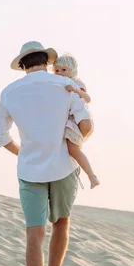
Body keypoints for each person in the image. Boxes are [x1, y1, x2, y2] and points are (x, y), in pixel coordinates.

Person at [0, 41, 92, 266]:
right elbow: (85, 123)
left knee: (34, 234)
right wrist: (75, 145)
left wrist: (24, 154)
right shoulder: (64, 85)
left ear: (23, 66)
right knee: (61, 224)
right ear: (47, 63)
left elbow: (1, 137)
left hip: (29, 171)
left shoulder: (9, 92)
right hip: (63, 166)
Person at [53, 54, 100, 189]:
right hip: (77, 121)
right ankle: (90, 177)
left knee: (74, 151)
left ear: (72, 70)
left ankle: (92, 176)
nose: (60, 73)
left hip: (81, 120)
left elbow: (88, 99)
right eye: (57, 70)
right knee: (73, 151)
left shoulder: (76, 84)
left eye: (64, 70)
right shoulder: (59, 86)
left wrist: (75, 90)